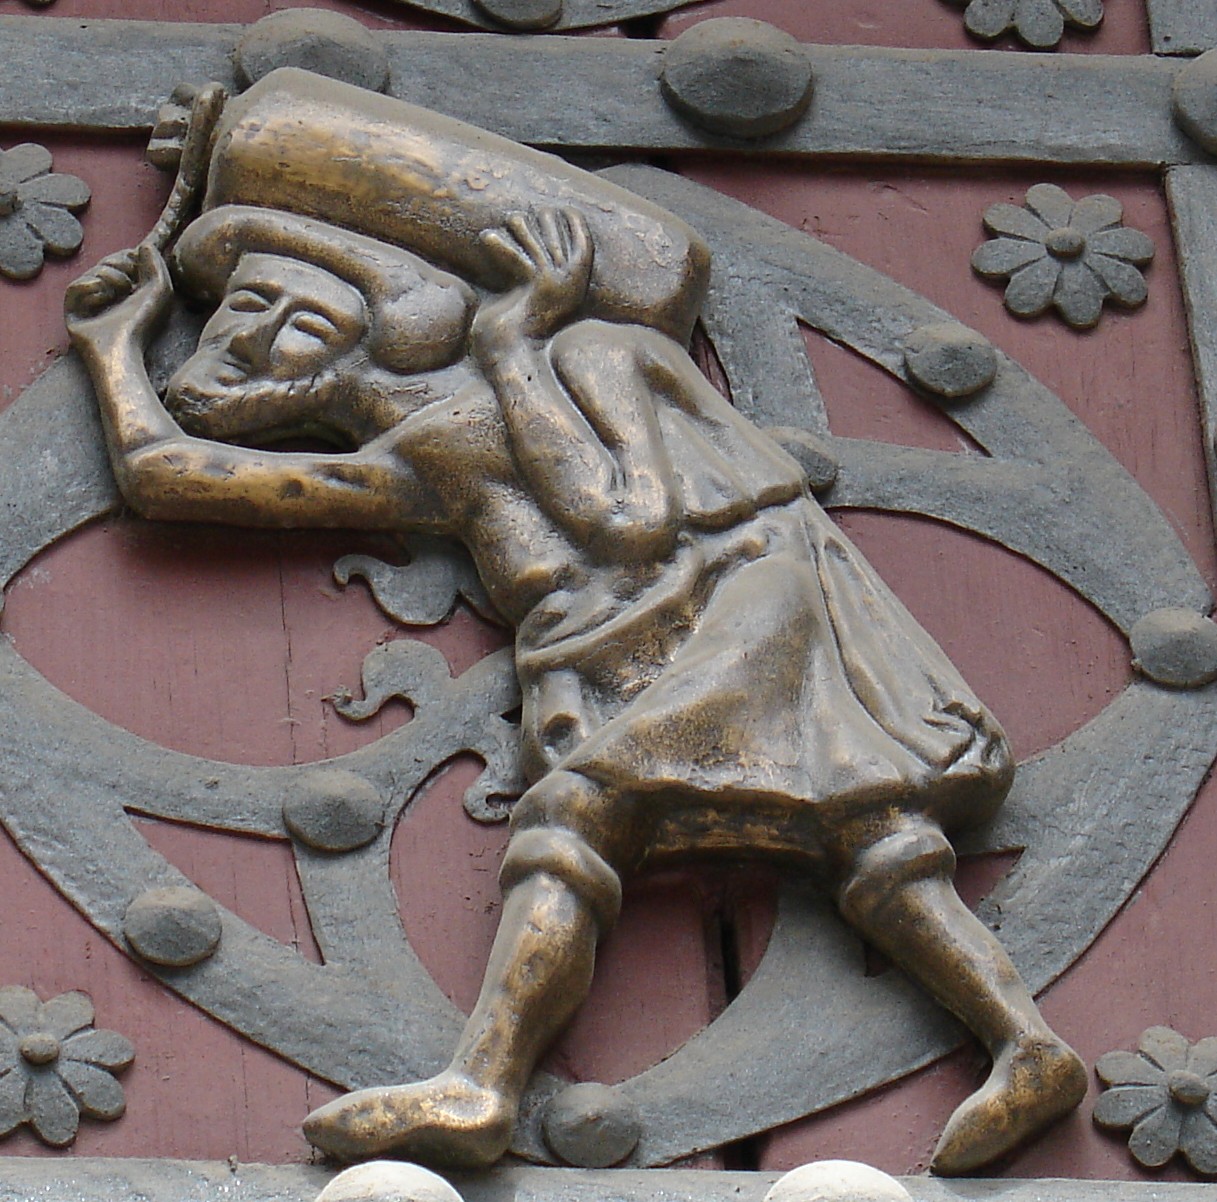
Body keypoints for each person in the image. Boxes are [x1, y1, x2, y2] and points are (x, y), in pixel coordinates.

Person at [65, 201, 1086, 1177]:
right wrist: (117, 345)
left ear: (377, 335)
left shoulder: (594, 359)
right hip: (606, 655)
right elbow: (173, 475)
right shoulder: (414, 460)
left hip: (725, 609)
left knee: (579, 813)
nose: (254, 343)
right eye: (245, 312)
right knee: (868, 830)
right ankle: (1024, 1045)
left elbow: (626, 520)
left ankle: (482, 1084)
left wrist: (512, 344)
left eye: (298, 320)